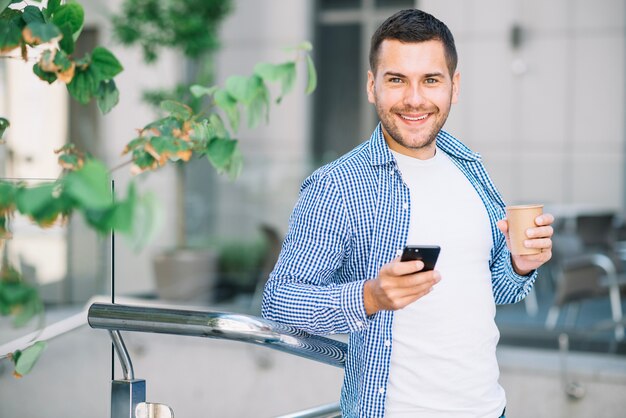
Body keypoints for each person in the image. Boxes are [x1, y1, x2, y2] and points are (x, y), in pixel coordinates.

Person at [262, 8, 554, 418]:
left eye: (430, 80)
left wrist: (520, 266)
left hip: (490, 409)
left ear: (454, 86)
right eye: (397, 80)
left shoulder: (469, 167)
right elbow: (279, 302)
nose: (414, 99)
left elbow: (496, 290)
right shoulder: (337, 185)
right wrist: (369, 297)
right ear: (372, 85)